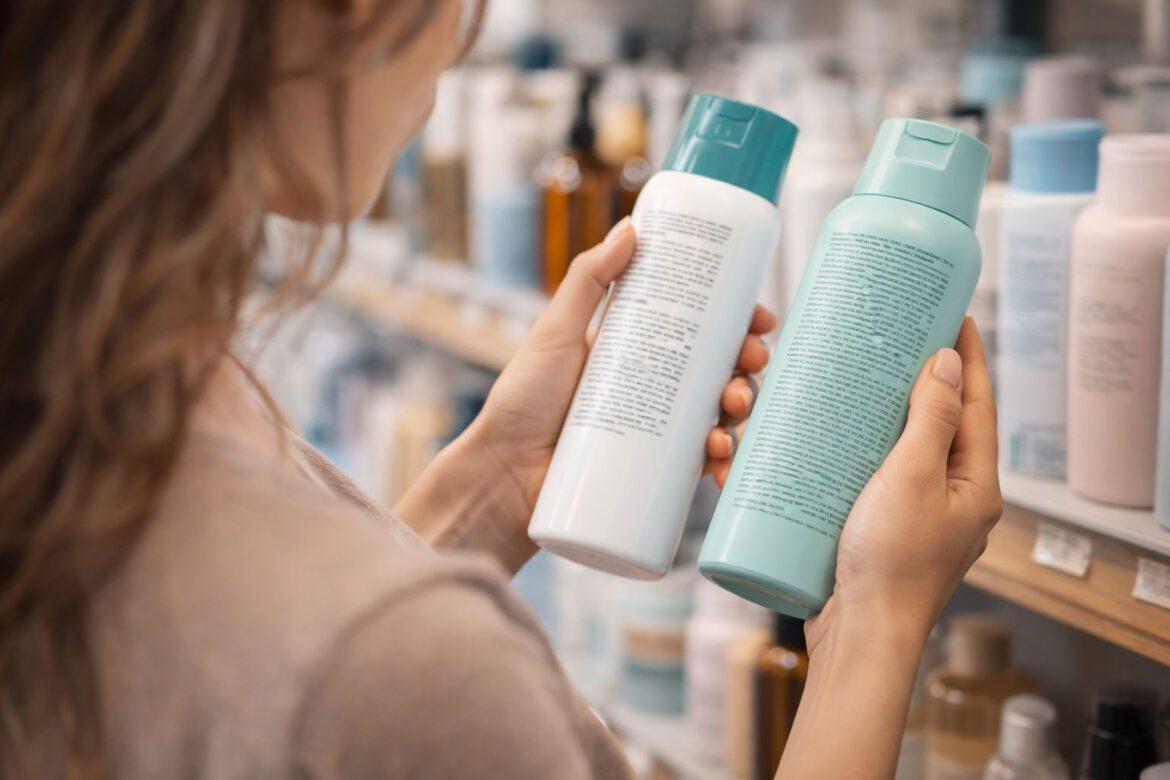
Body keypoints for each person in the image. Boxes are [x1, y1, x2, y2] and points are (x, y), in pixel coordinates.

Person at [0, 1, 1003, 778]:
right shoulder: (416, 676)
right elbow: (343, 680)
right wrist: (877, 617)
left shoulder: (105, 394)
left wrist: (502, 483)